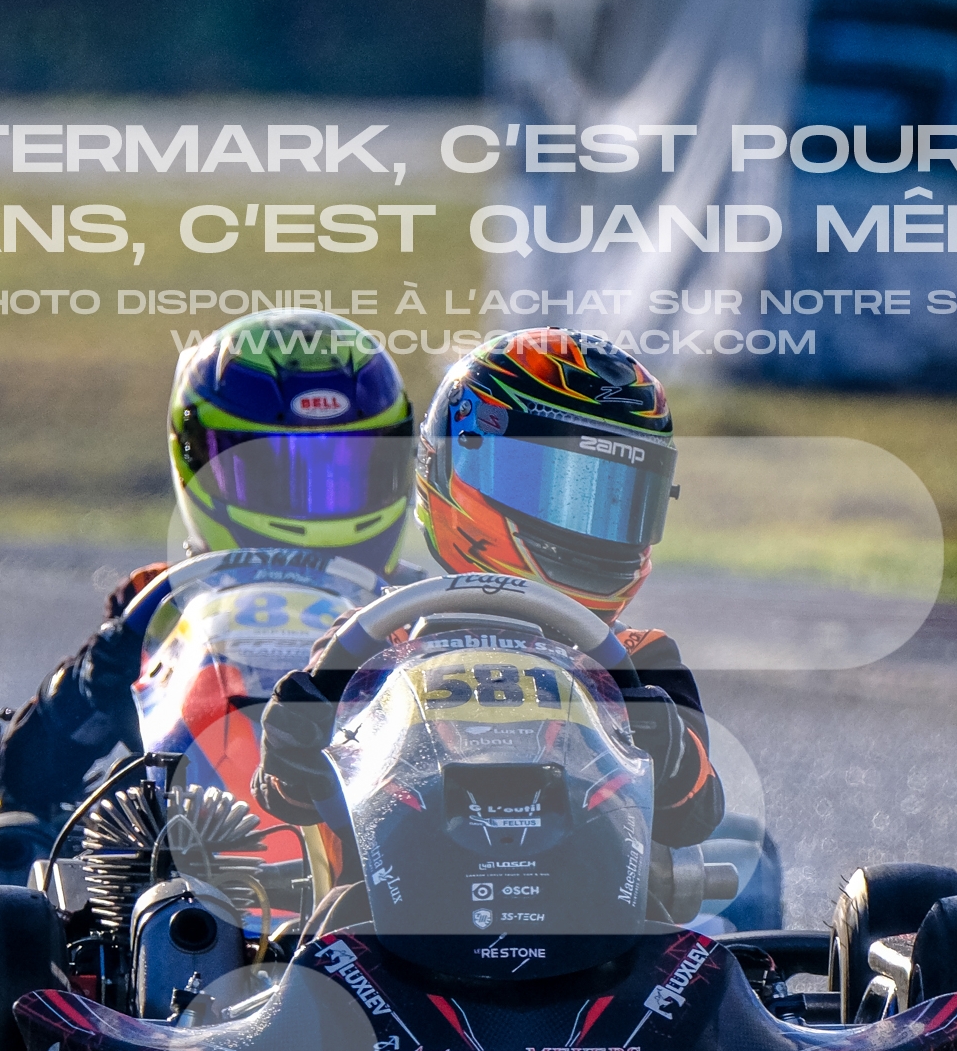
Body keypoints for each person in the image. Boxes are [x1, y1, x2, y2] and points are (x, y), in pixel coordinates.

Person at [253, 327, 728, 852]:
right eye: (550, 487)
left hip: (595, 895)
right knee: (331, 909)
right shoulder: (376, 642)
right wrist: (294, 745)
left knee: (732, 877)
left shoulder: (640, 662)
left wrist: (669, 751)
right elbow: (290, 800)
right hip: (399, 894)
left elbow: (694, 816)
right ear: (459, 463)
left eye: (615, 498)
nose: (589, 527)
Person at [0, 307, 417, 826]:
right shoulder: (158, 605)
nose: (313, 501)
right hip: (193, 842)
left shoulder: (420, 609)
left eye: (344, 474)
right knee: (30, 827)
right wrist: (91, 686)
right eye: (274, 474)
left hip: (380, 844)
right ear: (197, 459)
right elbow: (25, 778)